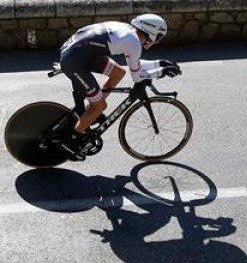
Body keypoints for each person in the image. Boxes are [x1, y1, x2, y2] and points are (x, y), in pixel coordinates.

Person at [56, 13, 181, 159]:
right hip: (75, 61)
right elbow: (137, 76)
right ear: (151, 32)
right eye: (158, 37)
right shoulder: (134, 43)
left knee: (118, 72)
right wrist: (161, 72)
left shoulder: (128, 32)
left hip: (77, 53)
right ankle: (70, 142)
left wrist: (160, 63)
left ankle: (91, 111)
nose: (157, 41)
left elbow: (134, 64)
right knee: (100, 106)